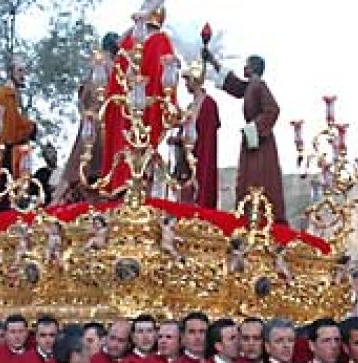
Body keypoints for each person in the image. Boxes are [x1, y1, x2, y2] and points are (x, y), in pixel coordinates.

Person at [99, 0, 175, 197]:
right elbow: (165, 82)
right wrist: (170, 106)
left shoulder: (128, 41)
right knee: (142, 157)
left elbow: (114, 86)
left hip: (123, 113)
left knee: (126, 156)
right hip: (146, 112)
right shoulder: (161, 40)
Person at [203, 50, 287, 225]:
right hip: (252, 139)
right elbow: (234, 85)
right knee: (249, 176)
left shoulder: (259, 85)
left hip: (260, 141)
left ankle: (261, 214)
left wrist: (254, 128)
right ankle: (249, 212)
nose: (244, 67)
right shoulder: (251, 85)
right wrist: (213, 61)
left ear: (254, 67)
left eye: (247, 64)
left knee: (259, 176)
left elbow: (273, 109)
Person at [56, 32, 120, 204]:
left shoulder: (97, 66)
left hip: (91, 123)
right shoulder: (110, 67)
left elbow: (82, 97)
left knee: (81, 168)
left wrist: (85, 114)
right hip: (102, 125)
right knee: (92, 168)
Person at [177, 60, 220, 210]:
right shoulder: (190, 106)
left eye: (187, 80)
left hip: (201, 155)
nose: (186, 84)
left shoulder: (208, 104)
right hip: (188, 157)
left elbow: (207, 138)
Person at [0, 55, 38, 181]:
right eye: (19, 71)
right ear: (11, 72)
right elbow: (8, 133)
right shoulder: (4, 95)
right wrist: (30, 128)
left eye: (24, 71)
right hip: (5, 156)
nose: (23, 75)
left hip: (15, 154)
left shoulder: (15, 95)